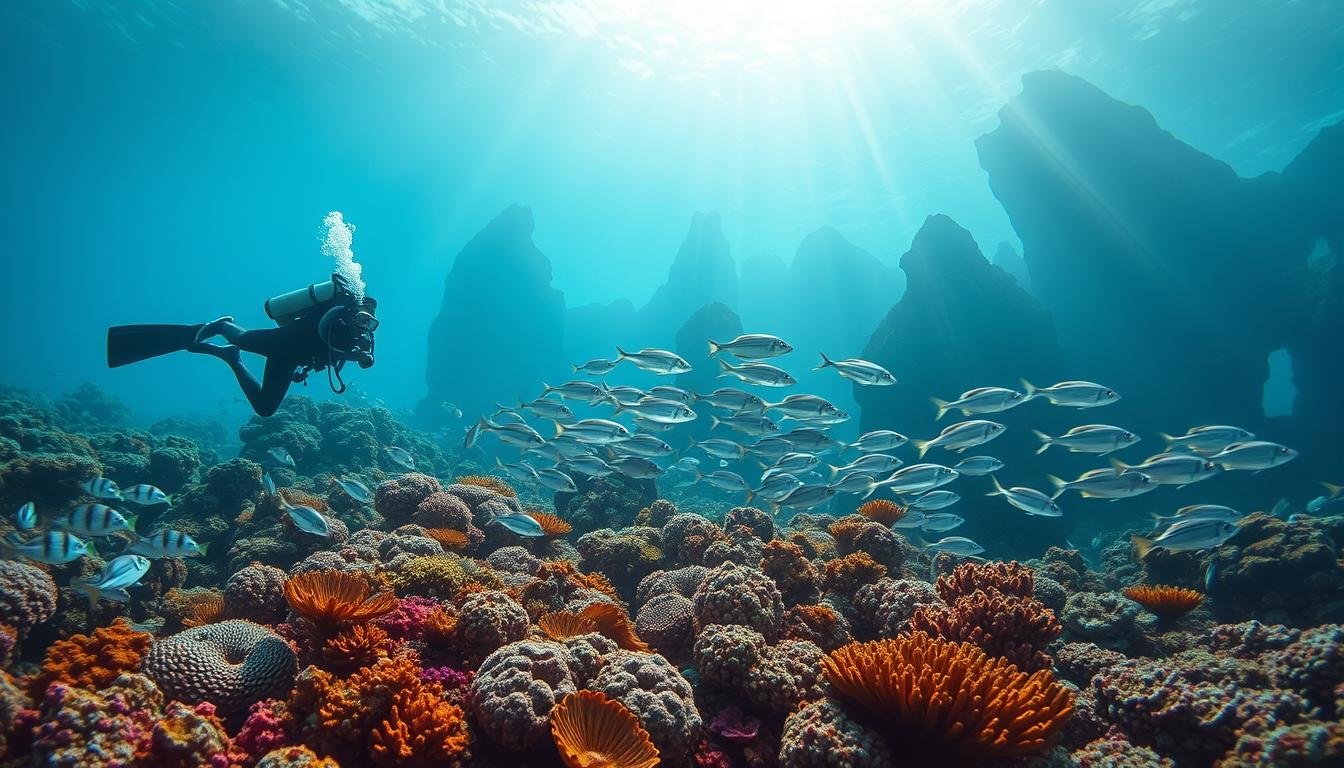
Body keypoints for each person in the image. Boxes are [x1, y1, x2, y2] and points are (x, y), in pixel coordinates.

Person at [107, 274, 377, 416]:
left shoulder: (357, 339)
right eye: (363, 319)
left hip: (290, 358)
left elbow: (341, 354)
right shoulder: (334, 319)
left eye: (371, 324)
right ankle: (220, 325)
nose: (365, 326)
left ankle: (230, 358)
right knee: (243, 338)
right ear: (351, 313)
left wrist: (362, 355)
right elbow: (320, 336)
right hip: (287, 340)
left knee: (265, 408)